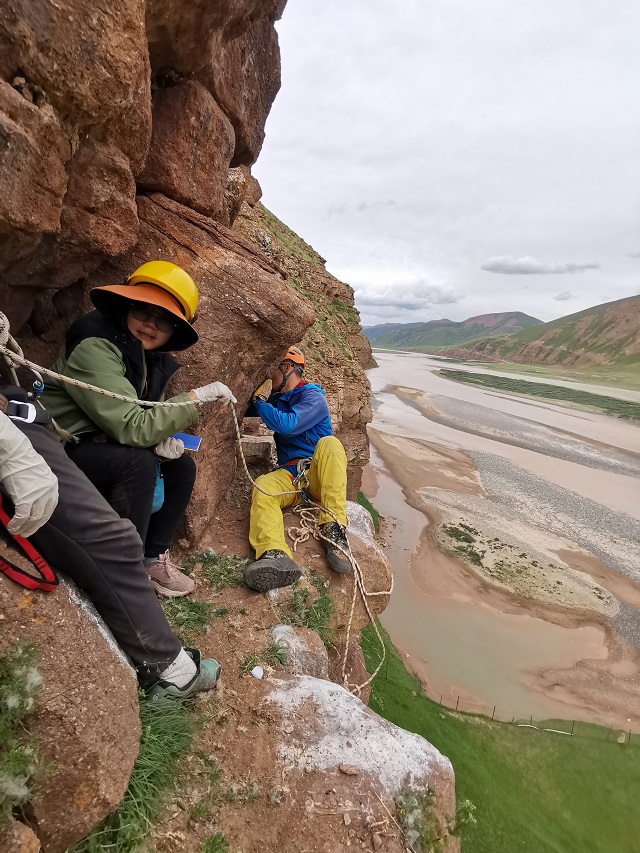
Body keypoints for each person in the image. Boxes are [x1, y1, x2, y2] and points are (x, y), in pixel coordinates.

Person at [41, 261, 236, 598]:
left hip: (101, 440)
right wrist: (194, 398)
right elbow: (133, 426)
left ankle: (151, 558)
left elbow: (137, 418)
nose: (151, 323)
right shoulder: (95, 345)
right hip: (61, 446)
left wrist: (159, 440)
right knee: (138, 464)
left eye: (165, 319)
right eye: (144, 310)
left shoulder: (142, 355)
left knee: (181, 467)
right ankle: (122, 569)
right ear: (127, 305)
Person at [0, 405, 219, 699]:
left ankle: (146, 566)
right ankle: (172, 673)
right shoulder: (97, 356)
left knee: (166, 475)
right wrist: (7, 444)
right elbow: (126, 418)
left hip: (21, 421)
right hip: (15, 432)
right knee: (117, 541)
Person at [243, 346, 351, 592]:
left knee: (331, 444)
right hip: (291, 476)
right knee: (263, 486)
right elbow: (249, 409)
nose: (271, 376)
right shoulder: (279, 399)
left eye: (274, 369)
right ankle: (274, 554)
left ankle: (333, 528)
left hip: (316, 477)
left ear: (288, 367)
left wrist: (260, 402)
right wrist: (254, 398)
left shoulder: (313, 397)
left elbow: (287, 425)